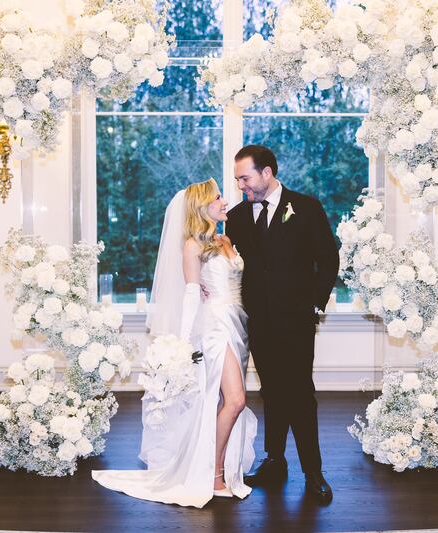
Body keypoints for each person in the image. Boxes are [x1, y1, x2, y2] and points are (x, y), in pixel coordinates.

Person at [92, 178, 257, 508]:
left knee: (224, 399)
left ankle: (222, 468)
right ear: (202, 205)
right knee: (235, 400)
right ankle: (213, 476)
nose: (225, 201)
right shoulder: (192, 246)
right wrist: (184, 344)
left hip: (238, 325)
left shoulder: (226, 239)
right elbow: (192, 294)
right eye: (218, 197)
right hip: (214, 326)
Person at [225, 145, 339, 505]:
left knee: (301, 394)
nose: (241, 185)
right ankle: (275, 461)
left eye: (245, 178)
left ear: (267, 173)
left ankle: (314, 472)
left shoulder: (305, 207)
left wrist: (313, 305)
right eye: (238, 179)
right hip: (258, 323)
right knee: (271, 392)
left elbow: (329, 258)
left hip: (296, 320)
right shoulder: (239, 217)